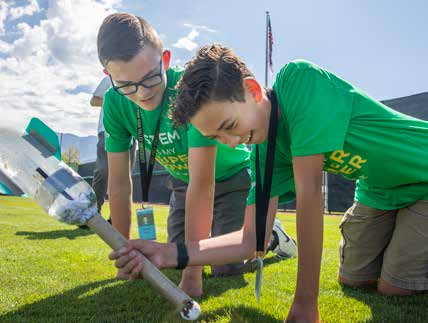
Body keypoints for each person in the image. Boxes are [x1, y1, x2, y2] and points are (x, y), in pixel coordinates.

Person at [110, 44, 428, 322]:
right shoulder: (263, 153)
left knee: (393, 288)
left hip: (423, 173)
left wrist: (305, 304)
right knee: (353, 280)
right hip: (377, 190)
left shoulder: (299, 80)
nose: (231, 143)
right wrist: (171, 253)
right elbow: (253, 240)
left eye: (229, 126)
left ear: (253, 90)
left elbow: (309, 195)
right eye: (216, 138)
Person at [97, 15, 295, 297]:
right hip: (182, 184)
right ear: (109, 76)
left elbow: (203, 183)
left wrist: (193, 274)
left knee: (224, 267)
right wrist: (124, 252)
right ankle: (233, 234)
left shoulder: (189, 93)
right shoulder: (114, 105)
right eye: (127, 85)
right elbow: (118, 184)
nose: (141, 94)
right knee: (172, 259)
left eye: (151, 78)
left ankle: (270, 235)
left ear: (164, 60)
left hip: (231, 178)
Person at [90, 76, 137, 223]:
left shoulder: (137, 78)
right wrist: (116, 101)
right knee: (102, 170)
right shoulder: (107, 80)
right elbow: (93, 101)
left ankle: (116, 218)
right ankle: (92, 213)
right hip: (107, 130)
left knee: (124, 175)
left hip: (130, 130)